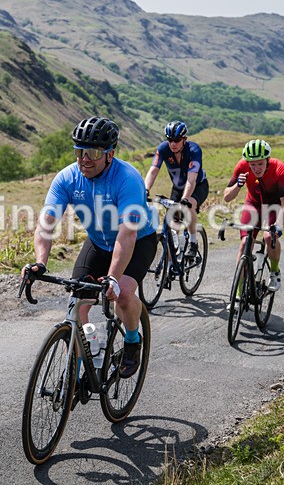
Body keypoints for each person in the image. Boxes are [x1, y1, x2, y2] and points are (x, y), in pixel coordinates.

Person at [23, 116, 157, 379]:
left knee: (124, 293)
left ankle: (132, 341)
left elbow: (127, 235)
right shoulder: (67, 178)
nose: (84, 158)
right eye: (79, 151)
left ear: (110, 154)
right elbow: (46, 224)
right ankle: (90, 352)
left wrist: (114, 279)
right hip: (98, 242)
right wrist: (40, 262)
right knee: (77, 304)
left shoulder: (128, 179)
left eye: (93, 152)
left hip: (137, 241)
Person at [223, 139, 284, 292]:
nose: (256, 168)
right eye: (252, 164)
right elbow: (227, 197)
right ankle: (238, 292)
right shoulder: (242, 166)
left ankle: (274, 272)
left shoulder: (279, 168)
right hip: (253, 204)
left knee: (268, 236)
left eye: (260, 163)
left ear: (267, 160)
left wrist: (278, 226)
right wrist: (238, 185)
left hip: (274, 206)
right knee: (244, 243)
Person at [143, 120, 210, 259]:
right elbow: (153, 171)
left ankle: (193, 242)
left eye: (177, 140)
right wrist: (145, 190)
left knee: (188, 206)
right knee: (173, 228)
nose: (173, 143)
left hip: (198, 186)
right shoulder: (163, 149)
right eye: (170, 140)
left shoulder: (194, 150)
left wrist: (185, 200)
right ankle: (171, 264)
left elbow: (191, 180)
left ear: (184, 139)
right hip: (178, 188)